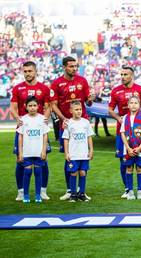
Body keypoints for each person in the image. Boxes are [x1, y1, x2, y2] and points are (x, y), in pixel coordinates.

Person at [50, 56, 94, 201]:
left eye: (76, 66)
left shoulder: (82, 81)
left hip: (82, 122)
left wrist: (90, 99)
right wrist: (64, 119)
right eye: (71, 66)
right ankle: (70, 190)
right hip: (66, 124)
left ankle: (81, 191)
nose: (74, 69)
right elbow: (53, 105)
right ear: (64, 67)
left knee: (83, 154)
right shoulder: (57, 83)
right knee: (68, 156)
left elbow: (88, 103)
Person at [10, 61, 51, 201]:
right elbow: (13, 107)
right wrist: (18, 119)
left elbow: (48, 107)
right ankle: (21, 191)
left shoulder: (44, 89)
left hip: (39, 130)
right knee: (20, 160)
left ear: (35, 71)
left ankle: (43, 191)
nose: (27, 74)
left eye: (30, 71)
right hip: (23, 130)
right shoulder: (17, 88)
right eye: (25, 71)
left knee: (43, 159)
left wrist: (44, 120)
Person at [108, 65, 141, 198]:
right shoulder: (115, 91)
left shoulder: (140, 89)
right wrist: (119, 119)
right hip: (122, 131)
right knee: (124, 160)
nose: (122, 77)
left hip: (139, 130)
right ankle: (127, 189)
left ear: (132, 75)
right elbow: (110, 109)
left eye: (125, 74)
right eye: (121, 74)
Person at [16, 96, 50, 203]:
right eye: (30, 106)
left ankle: (38, 195)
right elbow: (20, 137)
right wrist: (20, 152)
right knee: (27, 172)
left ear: (38, 106)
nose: (32, 108)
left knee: (38, 172)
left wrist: (44, 150)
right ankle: (26, 195)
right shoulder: (23, 120)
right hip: (27, 152)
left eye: (34, 105)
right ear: (26, 107)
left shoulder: (42, 119)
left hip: (38, 152)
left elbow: (45, 135)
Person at [62, 100, 95, 202]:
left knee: (82, 173)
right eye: (76, 109)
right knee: (73, 173)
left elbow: (89, 137)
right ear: (71, 110)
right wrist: (66, 153)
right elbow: (66, 139)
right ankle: (73, 194)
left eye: (80, 109)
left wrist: (91, 150)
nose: (79, 111)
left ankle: (82, 193)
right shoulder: (69, 123)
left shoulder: (85, 122)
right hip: (73, 154)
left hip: (84, 154)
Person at [120, 96, 141, 200]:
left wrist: (140, 147)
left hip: (140, 149)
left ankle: (140, 190)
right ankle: (130, 191)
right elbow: (123, 134)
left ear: (139, 105)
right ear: (128, 105)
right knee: (129, 168)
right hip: (128, 148)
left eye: (136, 103)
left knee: (139, 168)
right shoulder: (125, 118)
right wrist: (128, 148)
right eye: (131, 103)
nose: (133, 105)